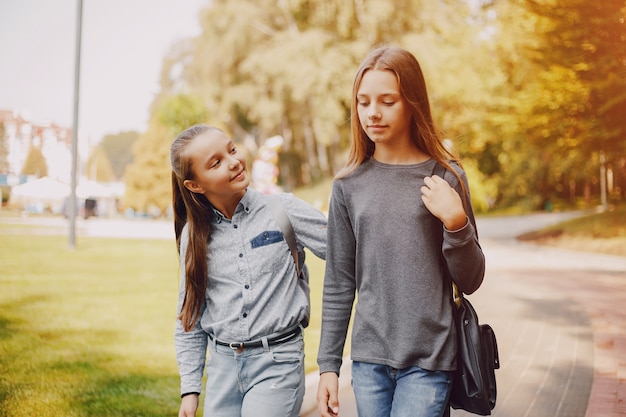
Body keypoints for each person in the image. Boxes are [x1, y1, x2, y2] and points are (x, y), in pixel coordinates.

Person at [316, 45, 486, 417]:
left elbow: (471, 279)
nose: (372, 112)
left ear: (412, 103)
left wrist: (457, 224)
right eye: (363, 102)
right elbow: (339, 282)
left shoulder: (446, 177)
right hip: (369, 361)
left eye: (387, 101)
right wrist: (329, 364)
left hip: (430, 360)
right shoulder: (348, 185)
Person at [170, 124, 327, 417]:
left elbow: (346, 251)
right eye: (216, 162)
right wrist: (190, 391)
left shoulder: (283, 210)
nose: (233, 162)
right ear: (195, 185)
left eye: (231, 150)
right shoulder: (194, 237)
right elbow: (190, 316)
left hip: (278, 362)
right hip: (222, 370)